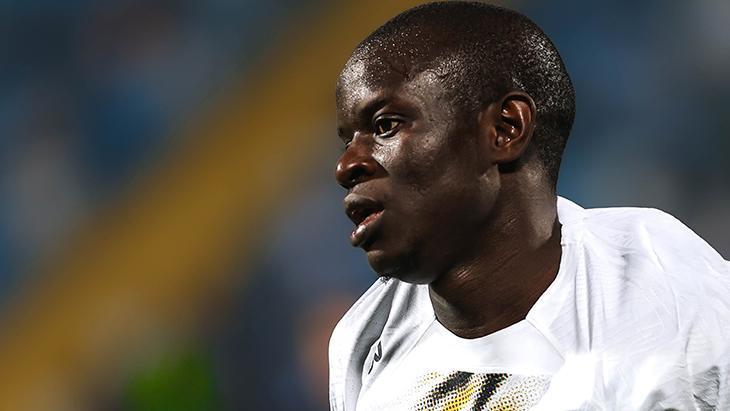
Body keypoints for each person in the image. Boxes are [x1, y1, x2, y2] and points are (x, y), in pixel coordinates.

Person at [328, 1, 730, 410]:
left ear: (505, 129)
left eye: (385, 126)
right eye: (347, 141)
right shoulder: (365, 337)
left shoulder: (667, 300)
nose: (346, 166)